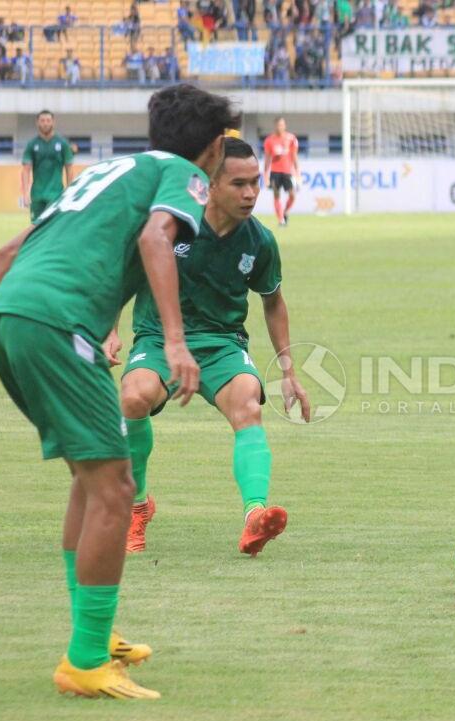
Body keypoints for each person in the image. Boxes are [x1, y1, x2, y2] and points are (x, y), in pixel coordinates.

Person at [0, 83, 240, 699]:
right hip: (58, 325)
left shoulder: (107, 171)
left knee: (92, 478)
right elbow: (156, 239)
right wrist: (177, 343)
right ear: (214, 150)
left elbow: (6, 251)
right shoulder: (184, 175)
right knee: (115, 487)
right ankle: (84, 661)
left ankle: (94, 637)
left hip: (10, 319)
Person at [111, 136, 310, 556]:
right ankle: (137, 505)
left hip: (221, 343)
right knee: (133, 399)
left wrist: (289, 372)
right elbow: (121, 275)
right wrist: (110, 329)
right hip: (159, 337)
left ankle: (255, 515)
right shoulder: (170, 225)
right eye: (240, 184)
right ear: (211, 185)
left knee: (248, 405)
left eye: (255, 182)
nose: (252, 193)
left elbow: (272, 302)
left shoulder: (259, 241)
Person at [22, 110, 75, 218]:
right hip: (37, 196)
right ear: (37, 123)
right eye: (42, 120)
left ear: (53, 122)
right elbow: (26, 170)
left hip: (56, 195)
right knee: (36, 230)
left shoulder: (63, 143)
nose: (45, 123)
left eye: (48, 120)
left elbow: (69, 169)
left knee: (54, 230)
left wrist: (70, 191)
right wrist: (25, 194)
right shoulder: (32, 144)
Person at [262, 117, 299, 226]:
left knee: (292, 195)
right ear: (275, 126)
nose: (280, 127)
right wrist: (266, 175)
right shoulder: (269, 140)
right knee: (276, 194)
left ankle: (285, 212)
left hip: (288, 172)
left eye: (282, 125)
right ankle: (280, 220)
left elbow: (294, 156)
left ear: (285, 125)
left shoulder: (291, 139)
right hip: (275, 172)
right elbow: (267, 159)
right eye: (278, 125)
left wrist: (298, 173)